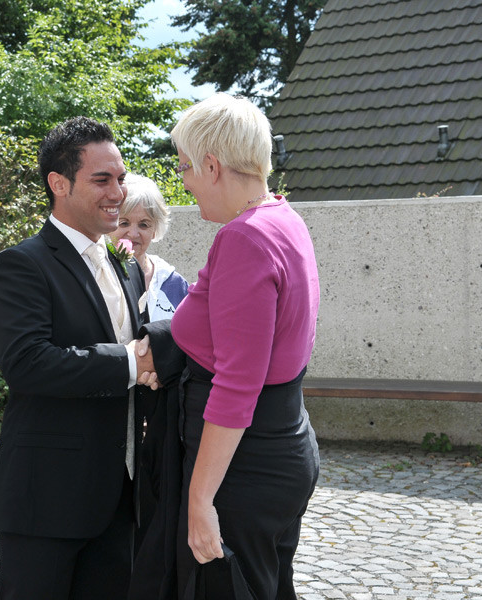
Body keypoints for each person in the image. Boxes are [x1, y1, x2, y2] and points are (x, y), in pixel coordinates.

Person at [150, 93, 321, 599]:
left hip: (244, 467)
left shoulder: (244, 239)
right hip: (279, 446)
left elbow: (238, 383)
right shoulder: (281, 219)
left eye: (184, 167)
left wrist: (199, 500)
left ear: (211, 165)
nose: (182, 180)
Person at [0, 116, 155, 599]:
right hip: (47, 496)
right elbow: (28, 363)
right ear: (59, 184)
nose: (118, 191)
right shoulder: (23, 264)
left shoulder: (125, 265)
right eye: (102, 179)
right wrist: (130, 363)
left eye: (120, 177)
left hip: (121, 493)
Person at [112, 172, 189, 322]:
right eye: (124, 223)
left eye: (144, 224)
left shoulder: (173, 284)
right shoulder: (95, 274)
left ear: (154, 230)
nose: (133, 234)